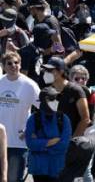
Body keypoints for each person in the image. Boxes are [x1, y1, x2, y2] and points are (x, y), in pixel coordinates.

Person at [0, 51, 40, 182]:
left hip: (18, 142)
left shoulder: (30, 85)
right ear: (3, 66)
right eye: (9, 63)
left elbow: (45, 111)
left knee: (13, 179)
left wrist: (32, 129)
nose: (13, 66)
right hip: (1, 140)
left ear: (20, 64)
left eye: (16, 63)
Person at [68, 65, 95, 182]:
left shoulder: (93, 94)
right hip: (68, 137)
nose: (81, 81)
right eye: (77, 78)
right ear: (70, 79)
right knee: (69, 171)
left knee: (86, 171)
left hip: (88, 138)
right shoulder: (66, 93)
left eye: (83, 78)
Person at [25, 87, 71, 182]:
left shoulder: (63, 119)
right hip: (39, 168)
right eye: (52, 99)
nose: (56, 101)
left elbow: (64, 144)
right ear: (43, 101)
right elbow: (30, 143)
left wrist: (42, 145)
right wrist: (51, 141)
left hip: (57, 167)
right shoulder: (33, 119)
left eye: (56, 99)